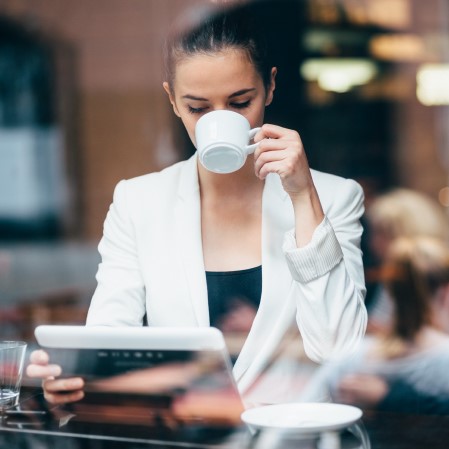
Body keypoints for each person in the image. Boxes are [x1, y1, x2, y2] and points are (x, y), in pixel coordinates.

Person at [27, 5, 367, 406]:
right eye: (199, 108)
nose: (219, 122)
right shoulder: (139, 203)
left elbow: (339, 350)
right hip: (183, 433)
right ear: (172, 100)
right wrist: (74, 377)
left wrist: (302, 196)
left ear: (270, 87)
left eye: (240, 102)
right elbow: (109, 340)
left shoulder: (334, 197)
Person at [299, 236, 449, 411]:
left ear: (390, 292)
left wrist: (389, 398)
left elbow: (300, 423)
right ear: (445, 294)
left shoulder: (349, 357)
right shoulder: (443, 359)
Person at [365, 187, 449, 333]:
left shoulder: (434, 275)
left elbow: (422, 328)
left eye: (382, 234)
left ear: (407, 232)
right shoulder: (392, 275)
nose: (373, 243)